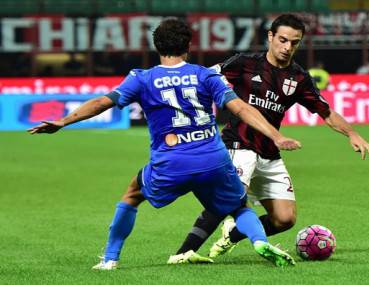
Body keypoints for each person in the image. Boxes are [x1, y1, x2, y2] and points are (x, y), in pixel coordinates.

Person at [28, 19, 301, 269]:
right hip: (213, 159)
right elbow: (241, 109)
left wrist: (63, 121)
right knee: (239, 206)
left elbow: (102, 103)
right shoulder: (205, 76)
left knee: (133, 195)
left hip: (171, 163)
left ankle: (110, 259)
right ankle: (258, 240)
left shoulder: (142, 78)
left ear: (156, 46)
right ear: (188, 46)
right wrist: (276, 136)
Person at [171, 14, 369, 260]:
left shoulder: (299, 78)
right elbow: (204, 77)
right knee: (229, 198)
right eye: (282, 40)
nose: (287, 47)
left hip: (269, 151)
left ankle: (232, 234)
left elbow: (326, 112)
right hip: (237, 144)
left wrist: (352, 134)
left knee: (284, 219)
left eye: (294, 42)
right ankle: (183, 253)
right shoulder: (244, 63)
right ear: (270, 37)